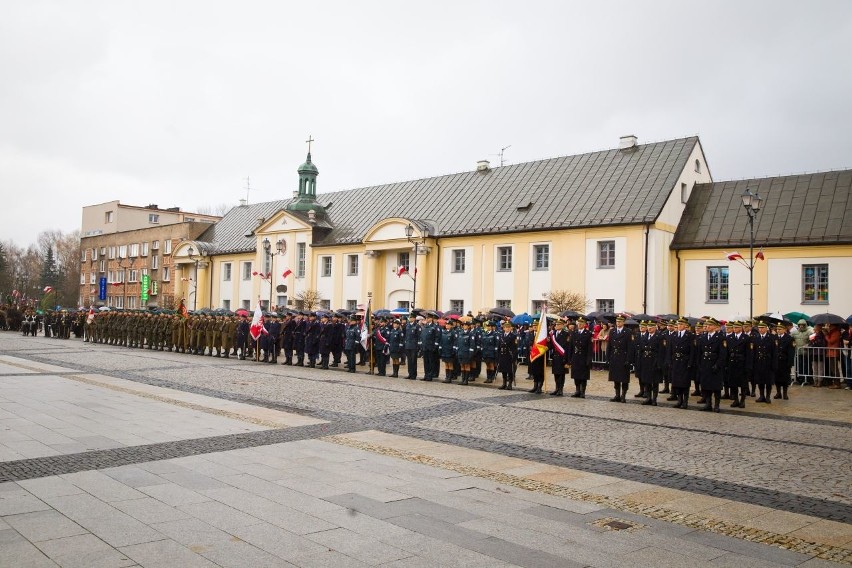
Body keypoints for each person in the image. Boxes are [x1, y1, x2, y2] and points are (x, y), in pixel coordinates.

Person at [696, 318, 726, 412]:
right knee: (706, 386)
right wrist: (699, 364)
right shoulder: (703, 337)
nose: (707, 327)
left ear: (714, 327)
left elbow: (723, 354)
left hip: (715, 364)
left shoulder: (720, 337)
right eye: (706, 325)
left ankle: (717, 405)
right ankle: (708, 404)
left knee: (716, 387)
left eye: (709, 325)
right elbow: (699, 352)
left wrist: (718, 364)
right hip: (705, 364)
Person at [667, 317, 695, 409]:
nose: (679, 326)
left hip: (685, 361)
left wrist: (690, 362)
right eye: (678, 324)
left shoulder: (689, 336)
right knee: (677, 383)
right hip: (676, 361)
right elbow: (670, 350)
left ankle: (685, 401)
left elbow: (692, 351)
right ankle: (679, 400)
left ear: (685, 325)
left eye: (681, 324)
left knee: (685, 383)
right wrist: (670, 361)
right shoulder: (674, 335)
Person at [607, 316, 634, 402]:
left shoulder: (628, 332)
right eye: (617, 321)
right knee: (616, 378)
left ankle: (623, 395)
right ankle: (617, 395)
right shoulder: (612, 331)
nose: (618, 323)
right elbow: (609, 345)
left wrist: (628, 359)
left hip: (623, 357)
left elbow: (630, 347)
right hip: (614, 357)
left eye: (620, 322)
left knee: (624, 378)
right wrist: (608, 357)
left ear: (623, 322)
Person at [725, 321, 751, 408]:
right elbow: (727, 353)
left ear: (741, 328)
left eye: (737, 327)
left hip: (742, 363)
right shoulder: (729, 337)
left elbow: (749, 353)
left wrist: (748, 366)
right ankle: (736, 400)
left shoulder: (746, 338)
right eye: (734, 327)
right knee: (733, 383)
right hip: (732, 363)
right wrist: (726, 364)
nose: (735, 329)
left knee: (743, 384)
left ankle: (742, 400)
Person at [752, 321, 778, 402]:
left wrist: (774, 364)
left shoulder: (772, 338)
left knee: (768, 381)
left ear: (766, 328)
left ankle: (768, 396)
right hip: (759, 362)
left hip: (768, 362)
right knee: (760, 381)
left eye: (762, 328)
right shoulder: (756, 338)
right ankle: (761, 395)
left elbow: (775, 352)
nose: (760, 329)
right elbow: (753, 352)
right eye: (759, 328)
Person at [570, 317, 593, 398]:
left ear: (584, 324)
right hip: (575, 357)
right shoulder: (574, 333)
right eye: (578, 323)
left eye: (581, 323)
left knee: (583, 376)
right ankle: (577, 390)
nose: (579, 325)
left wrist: (589, 359)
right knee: (576, 375)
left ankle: (583, 391)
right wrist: (570, 358)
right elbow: (571, 347)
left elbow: (590, 348)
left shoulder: (588, 333)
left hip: (583, 357)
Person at [549, 319, 571, 396]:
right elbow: (551, 345)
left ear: (562, 325)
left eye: (558, 325)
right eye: (556, 325)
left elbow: (567, 347)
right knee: (556, 374)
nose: (557, 326)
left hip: (562, 357)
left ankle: (560, 389)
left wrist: (568, 361)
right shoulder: (553, 334)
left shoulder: (566, 334)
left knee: (561, 375)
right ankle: (556, 388)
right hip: (555, 357)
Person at [774, 322, 795, 399]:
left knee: (785, 379)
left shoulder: (789, 338)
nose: (778, 331)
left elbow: (791, 352)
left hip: (784, 361)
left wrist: (790, 363)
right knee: (777, 378)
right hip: (776, 361)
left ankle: (785, 393)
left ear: (784, 330)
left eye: (780, 329)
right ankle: (778, 392)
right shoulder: (774, 337)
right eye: (777, 329)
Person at [498, 321, 517, 390]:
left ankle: (510, 384)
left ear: (511, 328)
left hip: (509, 355)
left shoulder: (513, 336)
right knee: (503, 370)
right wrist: (498, 355)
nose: (507, 329)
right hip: (503, 355)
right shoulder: (501, 335)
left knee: (510, 370)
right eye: (506, 327)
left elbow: (515, 348)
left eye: (509, 327)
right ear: (504, 328)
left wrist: (514, 357)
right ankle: (504, 383)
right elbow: (499, 346)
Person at [403, 315, 420, 380]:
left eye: (411, 317)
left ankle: (414, 375)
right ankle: (410, 374)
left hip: (414, 346)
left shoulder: (417, 326)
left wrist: (418, 346)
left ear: (414, 318)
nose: (410, 319)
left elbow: (419, 336)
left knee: (413, 361)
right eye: (409, 317)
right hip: (408, 346)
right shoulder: (407, 325)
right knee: (409, 361)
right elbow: (404, 335)